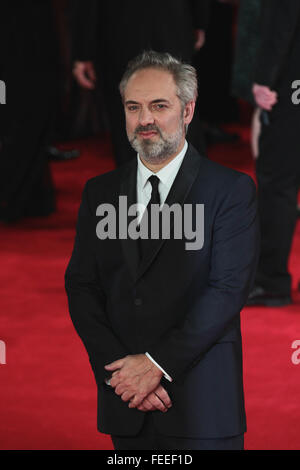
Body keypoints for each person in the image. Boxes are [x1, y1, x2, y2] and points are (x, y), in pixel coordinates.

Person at [65, 51, 259, 450]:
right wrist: (122, 375)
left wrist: (154, 366)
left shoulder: (229, 191)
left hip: (202, 404)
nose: (144, 120)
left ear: (188, 110)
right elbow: (82, 287)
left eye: (159, 106)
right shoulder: (99, 192)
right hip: (128, 403)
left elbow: (226, 292)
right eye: (133, 107)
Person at [70, 0, 211, 166]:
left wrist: (83, 49)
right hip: (170, 23)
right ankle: (191, 184)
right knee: (176, 102)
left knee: (130, 111)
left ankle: (135, 187)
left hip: (121, 31)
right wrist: (200, 19)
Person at [246, 0, 300, 306]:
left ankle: (271, 281)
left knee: (278, 180)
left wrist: (264, 78)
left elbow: (282, 21)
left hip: (291, 84)